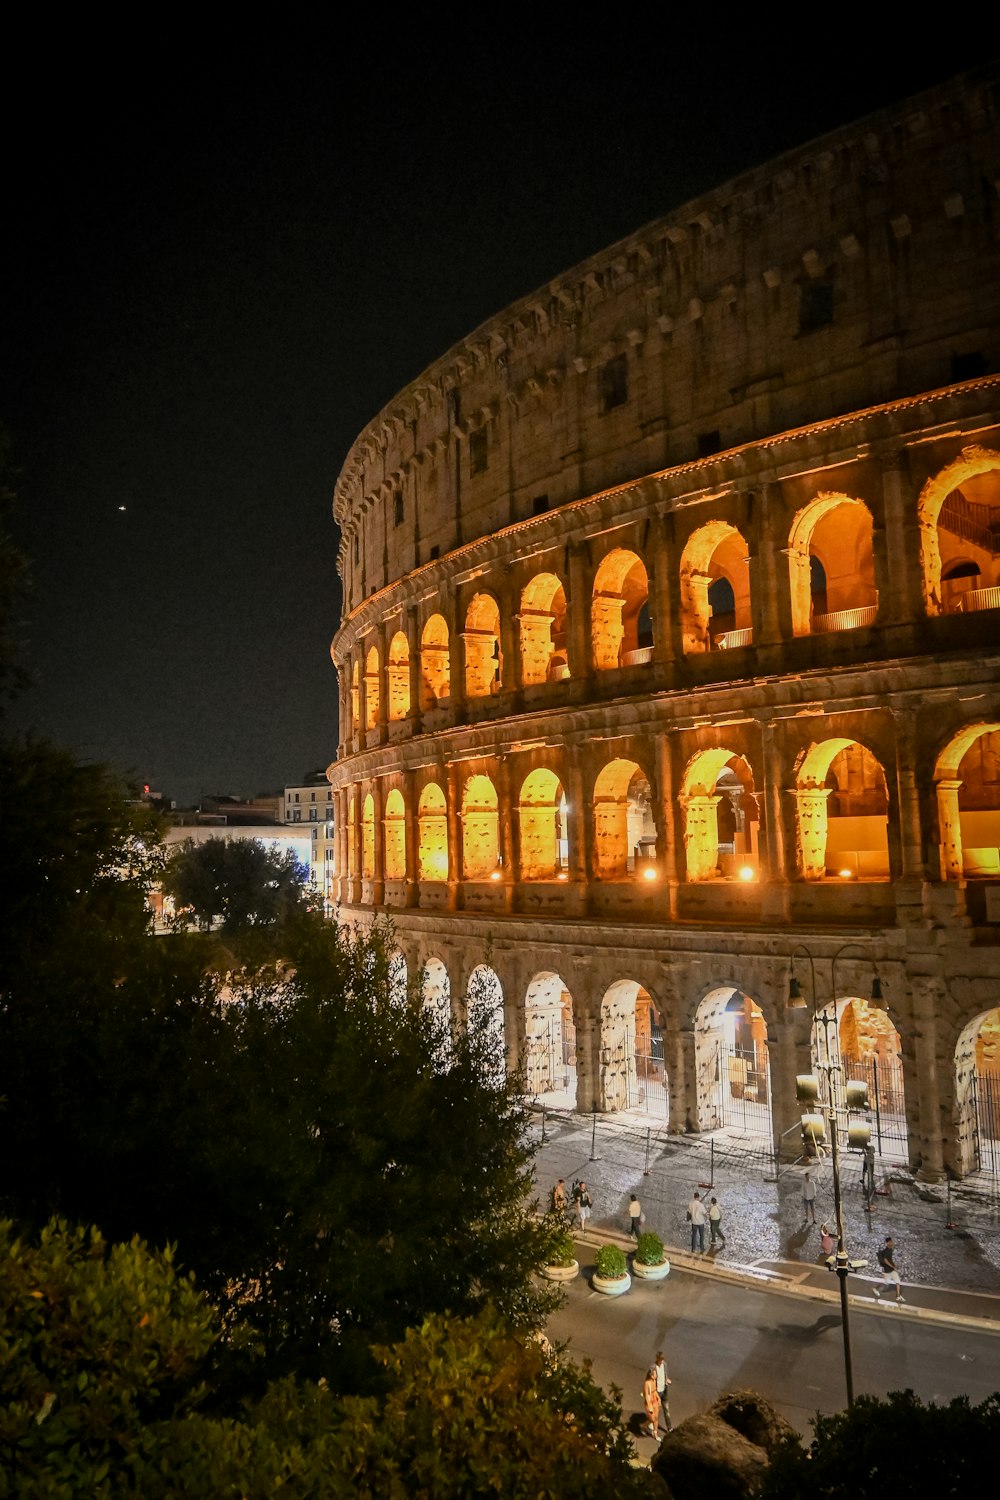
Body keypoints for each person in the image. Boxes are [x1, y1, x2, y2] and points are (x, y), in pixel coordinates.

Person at [874, 1235, 905, 1303]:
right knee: (885, 1283)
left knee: (897, 1282)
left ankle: (898, 1296)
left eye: (892, 1241)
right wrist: (892, 1266)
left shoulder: (890, 1250)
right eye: (891, 1242)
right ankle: (876, 1288)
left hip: (891, 1270)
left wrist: (893, 1265)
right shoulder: (887, 1251)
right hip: (887, 1270)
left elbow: (889, 1259)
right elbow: (885, 1260)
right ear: (888, 1243)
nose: (892, 1243)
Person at [653, 1350, 672, 1433]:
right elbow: (650, 1379)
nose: (662, 1361)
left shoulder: (664, 1365)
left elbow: (665, 1375)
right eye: (661, 1360)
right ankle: (648, 1425)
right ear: (657, 1359)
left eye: (663, 1360)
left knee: (666, 1410)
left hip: (664, 1390)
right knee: (655, 1411)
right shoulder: (653, 1367)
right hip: (657, 1392)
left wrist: (667, 1380)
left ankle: (669, 1428)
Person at [642, 1365, 661, 1440]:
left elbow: (654, 1391)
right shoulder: (647, 1383)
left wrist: (658, 1398)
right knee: (652, 1419)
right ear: (651, 1375)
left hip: (654, 1400)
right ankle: (643, 1426)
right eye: (655, 1375)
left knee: (656, 1418)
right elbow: (646, 1395)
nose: (656, 1376)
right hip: (649, 1402)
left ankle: (655, 1433)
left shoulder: (654, 1381)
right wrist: (649, 1406)